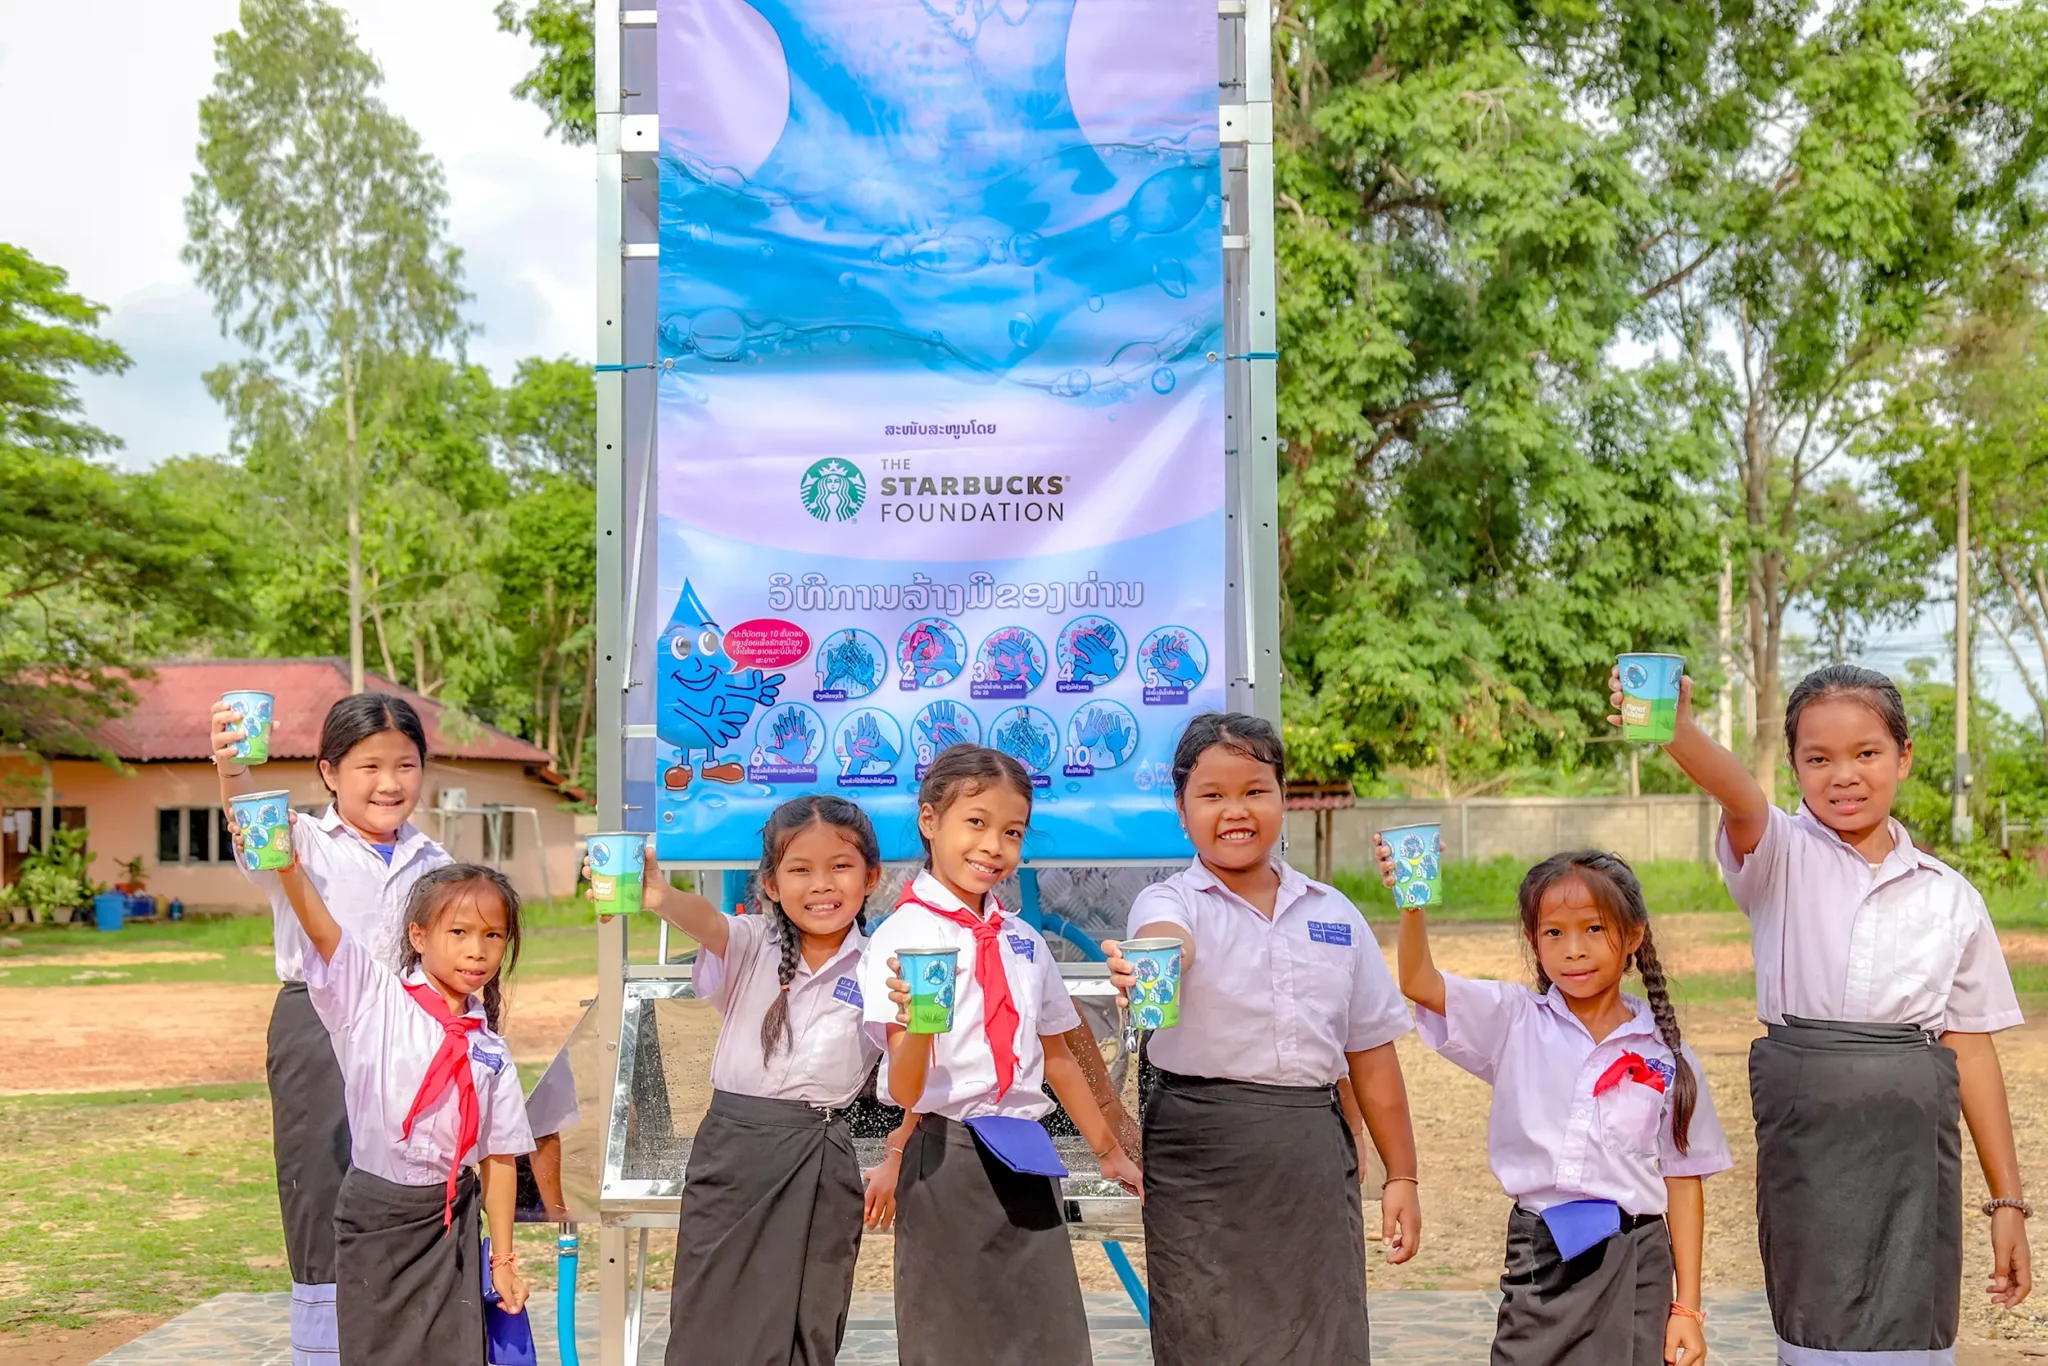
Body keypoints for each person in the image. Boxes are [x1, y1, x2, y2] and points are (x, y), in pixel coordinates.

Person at [1641, 661, 2032, 1359]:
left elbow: (1969, 1049)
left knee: (1915, 1335)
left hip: (1914, 1151)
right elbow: (1737, 794)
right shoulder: (1777, 854)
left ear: (1905, 757)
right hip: (1809, 1139)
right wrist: (1678, 734)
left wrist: (2009, 1202)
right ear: (1792, 766)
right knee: (1816, 1339)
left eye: (1867, 753)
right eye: (1817, 758)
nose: (1843, 775)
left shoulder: (1950, 897)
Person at [1102, 711, 1420, 1365]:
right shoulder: (1170, 901)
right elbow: (1166, 941)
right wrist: (1150, 963)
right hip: (1199, 1155)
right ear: (1182, 809)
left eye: (1254, 790)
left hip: (1310, 1152)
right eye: (1211, 795)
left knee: (1322, 1337)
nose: (1235, 810)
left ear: (1283, 797)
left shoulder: (1334, 913)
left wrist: (1402, 1175)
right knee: (1207, 1336)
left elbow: (1369, 1055)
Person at [589, 798, 910, 1365]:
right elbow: (705, 921)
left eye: (840, 866)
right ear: (771, 882)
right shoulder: (751, 942)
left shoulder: (883, 964)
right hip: (732, 1153)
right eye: (800, 869)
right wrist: (658, 896)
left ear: (871, 877)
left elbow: (916, 1075)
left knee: (807, 1316)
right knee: (711, 1315)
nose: (822, 885)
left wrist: (896, 1151)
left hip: (819, 1155)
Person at [1385, 844, 1730, 1364]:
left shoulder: (1666, 1055)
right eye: (1554, 932)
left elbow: (1683, 1180)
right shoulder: (1512, 1020)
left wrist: (1687, 1310)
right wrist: (1412, 902)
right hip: (1541, 1254)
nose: (1574, 949)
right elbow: (1419, 983)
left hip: (1636, 1261)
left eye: (1594, 929)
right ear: (1534, 941)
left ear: (1634, 935)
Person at [859, 745, 1143, 1366]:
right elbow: (907, 1091)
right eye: (976, 823)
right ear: (930, 821)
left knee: (1045, 1332)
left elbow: (1059, 1059)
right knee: (952, 1333)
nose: (994, 846)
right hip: (946, 1155)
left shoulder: (1023, 941)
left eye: (1011, 832)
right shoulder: (904, 937)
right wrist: (916, 1026)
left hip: (1025, 1150)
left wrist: (1109, 1149)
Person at [212, 692, 452, 1365]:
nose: (388, 784)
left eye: (405, 765)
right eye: (368, 766)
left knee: (414, 1184)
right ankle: (325, 1350)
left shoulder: (436, 860)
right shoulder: (300, 841)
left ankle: (409, 1337)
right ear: (328, 773)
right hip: (316, 1028)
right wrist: (232, 768)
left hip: (412, 1033)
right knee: (322, 1187)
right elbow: (249, 822)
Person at [267, 821, 532, 1366]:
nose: (476, 951)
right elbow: (322, 931)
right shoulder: (373, 998)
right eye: (457, 933)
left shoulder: (490, 1049)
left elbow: (499, 1156)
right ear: (418, 936)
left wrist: (502, 1258)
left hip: (452, 1222)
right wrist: (286, 865)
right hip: (377, 1219)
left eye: (492, 936)